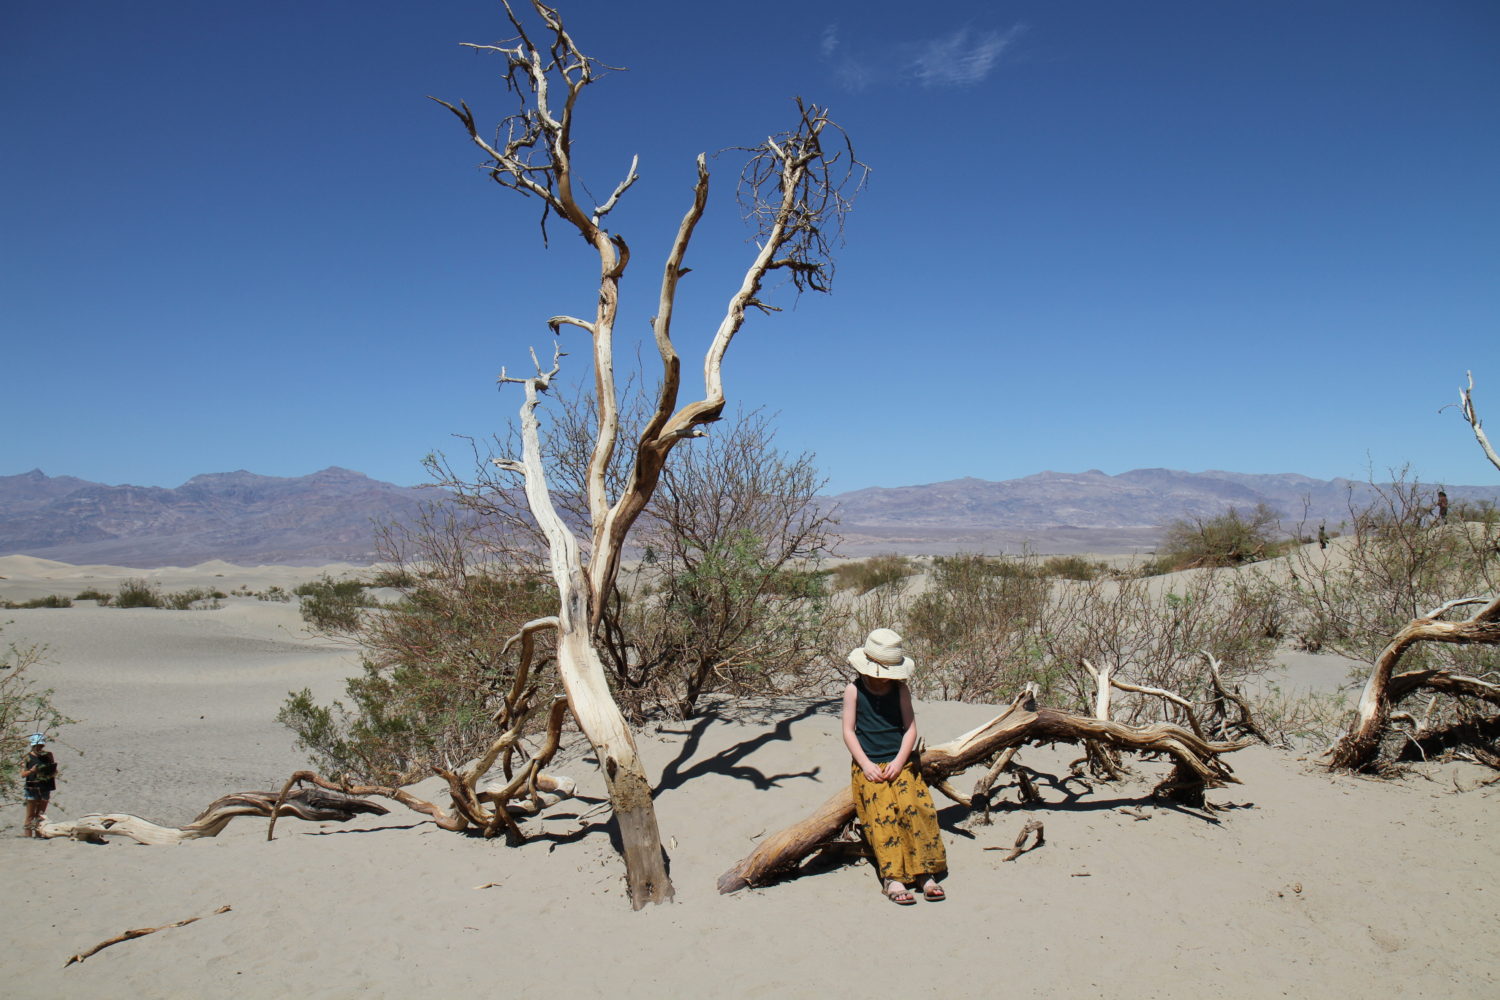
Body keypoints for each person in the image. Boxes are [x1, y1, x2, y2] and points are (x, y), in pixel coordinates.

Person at [842, 628, 947, 905]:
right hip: (869, 764)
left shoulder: (900, 688)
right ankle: (893, 877)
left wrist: (900, 761)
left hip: (901, 761)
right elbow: (849, 731)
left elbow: (910, 728)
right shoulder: (853, 690)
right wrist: (865, 764)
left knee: (916, 808)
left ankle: (924, 873)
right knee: (881, 813)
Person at [21, 733, 57, 838]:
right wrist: (32, 771)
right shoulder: (27, 757)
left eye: (41, 746)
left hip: (45, 786)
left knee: (40, 814)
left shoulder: (48, 755)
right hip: (32, 787)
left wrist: (53, 772)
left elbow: (52, 768)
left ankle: (38, 834)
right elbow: (23, 774)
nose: (40, 748)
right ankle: (27, 838)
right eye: (38, 746)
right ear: (33, 746)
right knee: (30, 815)